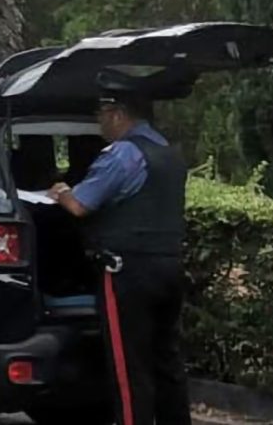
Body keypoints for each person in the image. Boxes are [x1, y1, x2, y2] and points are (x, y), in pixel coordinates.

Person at [45, 73, 192, 425]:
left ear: (118, 114)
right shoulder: (168, 153)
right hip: (170, 268)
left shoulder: (123, 154)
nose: (100, 124)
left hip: (129, 273)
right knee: (167, 360)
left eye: (102, 115)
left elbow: (80, 205)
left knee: (129, 367)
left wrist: (60, 192)